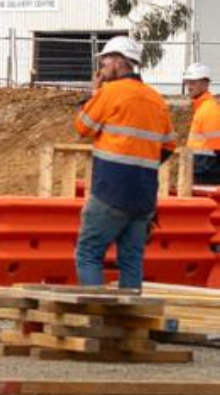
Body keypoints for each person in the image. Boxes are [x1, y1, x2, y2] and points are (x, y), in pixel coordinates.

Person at [72, 35, 175, 288]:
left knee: (88, 254)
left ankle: (96, 319)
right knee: (131, 260)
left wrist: (94, 94)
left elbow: (82, 127)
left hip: (110, 191)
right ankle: (129, 323)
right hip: (143, 197)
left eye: (105, 62)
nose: (102, 68)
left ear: (119, 62)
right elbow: (169, 145)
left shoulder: (110, 93)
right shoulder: (156, 99)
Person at [184, 63, 220, 186]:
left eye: (193, 82)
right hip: (201, 173)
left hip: (207, 177)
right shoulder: (202, 108)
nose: (189, 86)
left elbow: (217, 149)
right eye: (187, 82)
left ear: (205, 83)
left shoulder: (209, 110)